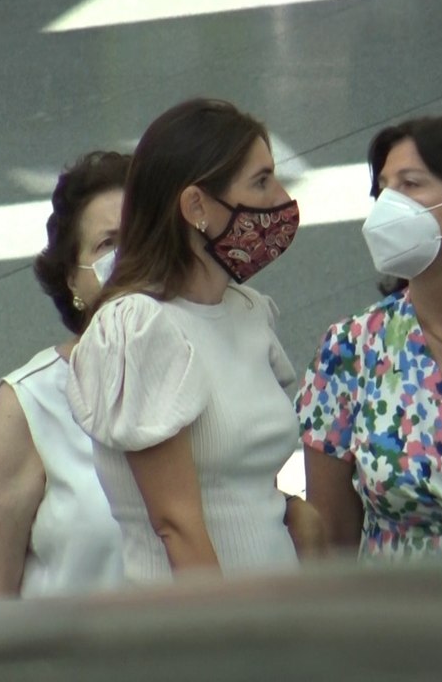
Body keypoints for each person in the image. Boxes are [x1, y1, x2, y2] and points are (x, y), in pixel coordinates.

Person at [67, 98, 307, 582]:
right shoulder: (137, 328)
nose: (280, 197)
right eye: (260, 181)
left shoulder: (247, 312)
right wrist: (225, 645)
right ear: (197, 206)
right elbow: (176, 526)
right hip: (200, 637)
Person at [296, 116, 442, 560]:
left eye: (411, 185)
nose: (388, 205)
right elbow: (331, 536)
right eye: (383, 190)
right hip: (403, 619)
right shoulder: (351, 347)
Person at [0, 151, 127, 599]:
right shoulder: (30, 407)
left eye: (143, 239)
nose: (130, 260)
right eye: (107, 244)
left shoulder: (205, 374)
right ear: (72, 281)